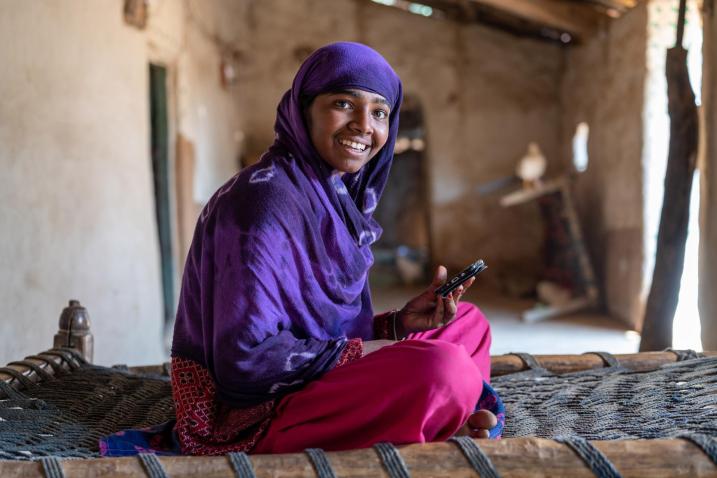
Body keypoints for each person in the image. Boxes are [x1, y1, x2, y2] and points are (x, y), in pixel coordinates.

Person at [170, 42, 502, 456]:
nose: (364, 125)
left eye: (380, 112)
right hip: (258, 412)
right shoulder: (262, 203)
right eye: (344, 103)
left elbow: (329, 334)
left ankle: (443, 411)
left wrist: (396, 328)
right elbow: (244, 365)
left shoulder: (332, 196)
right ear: (303, 109)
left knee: (469, 323)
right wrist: (381, 351)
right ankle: (447, 412)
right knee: (445, 369)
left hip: (320, 382)